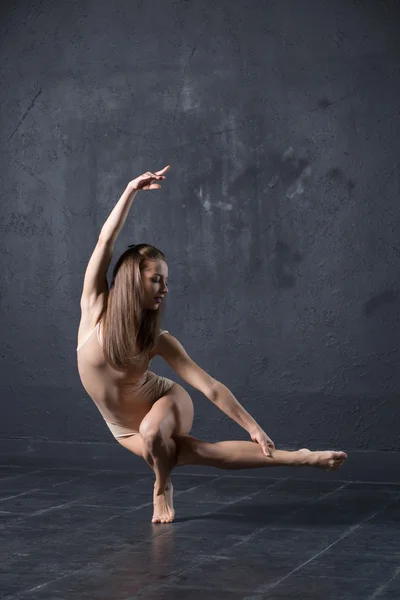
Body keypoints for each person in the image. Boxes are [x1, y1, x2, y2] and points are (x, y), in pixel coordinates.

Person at [77, 165, 347, 524]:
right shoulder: (95, 306)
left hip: (166, 403)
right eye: (156, 279)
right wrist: (130, 190)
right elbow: (104, 242)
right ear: (132, 280)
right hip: (122, 427)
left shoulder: (157, 339)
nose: (165, 289)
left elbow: (209, 386)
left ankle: (162, 487)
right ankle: (302, 457)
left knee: (154, 433)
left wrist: (252, 426)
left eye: (166, 281)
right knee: (204, 453)